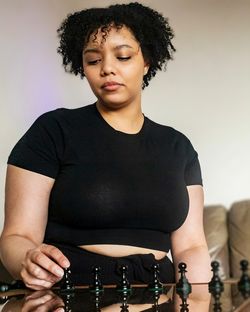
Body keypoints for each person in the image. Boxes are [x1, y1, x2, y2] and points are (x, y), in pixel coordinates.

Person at [0, 2, 211, 309]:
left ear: (147, 60)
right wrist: (27, 260)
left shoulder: (178, 147)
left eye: (123, 56)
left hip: (158, 295)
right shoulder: (53, 130)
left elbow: (191, 246)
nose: (107, 68)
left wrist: (200, 302)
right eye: (93, 60)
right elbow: (17, 236)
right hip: (69, 294)